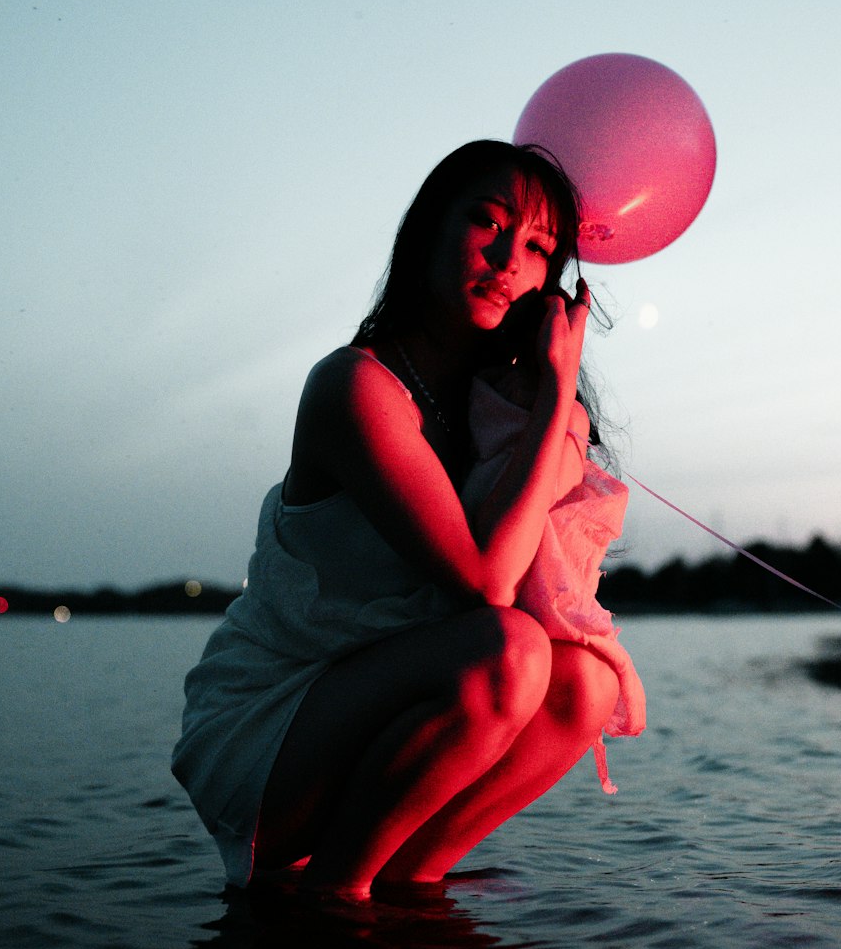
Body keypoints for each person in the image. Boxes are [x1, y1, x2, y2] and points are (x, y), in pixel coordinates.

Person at [171, 140, 644, 898]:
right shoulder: (357, 388)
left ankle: (407, 890)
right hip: (271, 725)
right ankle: (339, 900)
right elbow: (487, 586)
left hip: (394, 699)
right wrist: (556, 395)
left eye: (536, 249)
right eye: (486, 224)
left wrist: (550, 421)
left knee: (585, 684)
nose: (506, 260)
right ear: (428, 230)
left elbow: (538, 589)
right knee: (509, 649)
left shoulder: (496, 415)